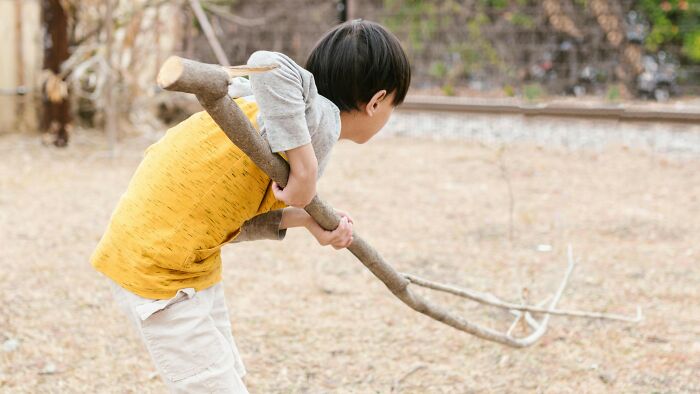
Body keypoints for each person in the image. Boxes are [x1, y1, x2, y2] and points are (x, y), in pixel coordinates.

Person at [91, 19, 411, 393]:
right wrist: (306, 172)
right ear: (376, 101)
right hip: (158, 268)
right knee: (213, 384)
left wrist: (306, 219)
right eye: (393, 106)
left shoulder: (285, 118)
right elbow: (269, 64)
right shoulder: (314, 117)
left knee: (226, 373)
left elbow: (234, 207)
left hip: (186, 258)